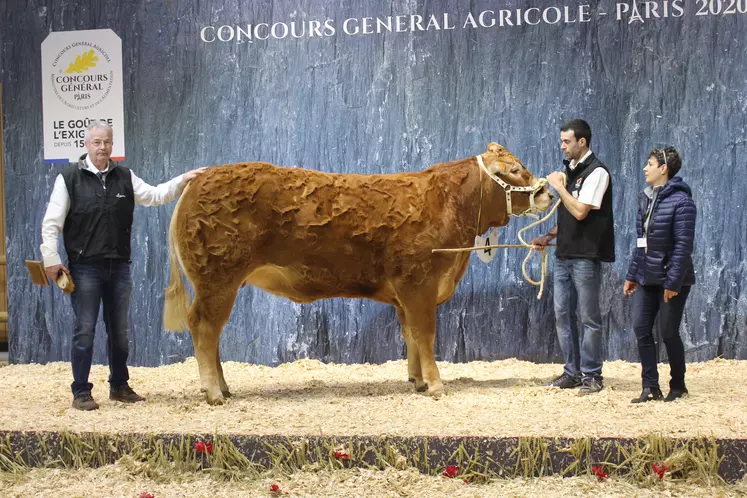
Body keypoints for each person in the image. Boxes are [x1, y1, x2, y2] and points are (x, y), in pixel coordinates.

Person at [41, 120, 206, 411]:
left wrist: (184, 180)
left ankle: (119, 385)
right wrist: (51, 261)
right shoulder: (68, 179)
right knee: (85, 330)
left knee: (120, 331)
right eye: (96, 142)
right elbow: (51, 224)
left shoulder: (125, 177)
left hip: (119, 267)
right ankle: (81, 391)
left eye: (106, 142)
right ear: (86, 145)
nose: (102, 147)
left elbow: (155, 195)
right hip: (84, 268)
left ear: (112, 145)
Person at [532, 119, 615, 395]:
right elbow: (568, 216)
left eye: (567, 141)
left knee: (589, 317)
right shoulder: (570, 170)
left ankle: (592, 375)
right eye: (562, 141)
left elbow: (580, 211)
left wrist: (559, 187)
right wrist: (549, 237)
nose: (562, 146)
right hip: (564, 254)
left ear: (583, 142)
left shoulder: (597, 172)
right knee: (562, 315)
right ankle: (572, 372)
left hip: (585, 256)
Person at [623, 147, 696, 403]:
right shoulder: (645, 198)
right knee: (641, 327)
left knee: (668, 332)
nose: (645, 168)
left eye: (650, 163)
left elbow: (683, 246)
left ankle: (678, 385)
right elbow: (640, 242)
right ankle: (650, 386)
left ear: (663, 168)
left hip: (671, 279)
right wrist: (632, 274)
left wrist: (673, 282)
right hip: (646, 276)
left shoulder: (683, 202)